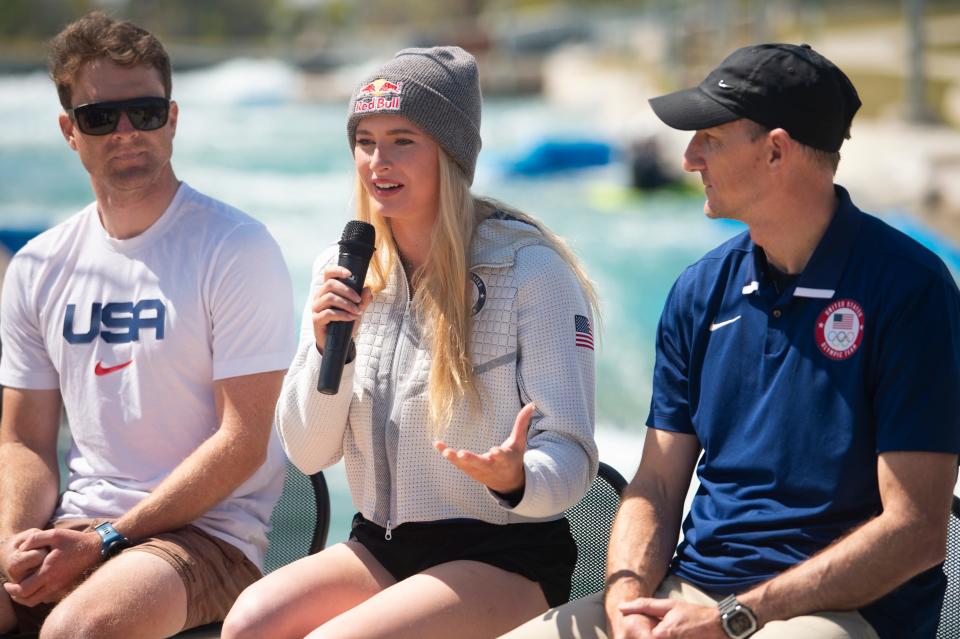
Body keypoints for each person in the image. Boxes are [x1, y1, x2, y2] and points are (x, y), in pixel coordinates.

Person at [504, 43, 960, 639]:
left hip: (843, 613)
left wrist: (737, 617)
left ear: (775, 151)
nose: (690, 158)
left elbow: (918, 530)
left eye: (710, 139)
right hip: (691, 594)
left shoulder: (911, 290)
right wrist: (625, 595)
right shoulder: (700, 291)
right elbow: (658, 483)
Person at [221, 45, 600, 639]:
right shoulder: (346, 270)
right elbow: (308, 454)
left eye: (402, 140)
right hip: (382, 543)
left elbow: (573, 453)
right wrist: (330, 351)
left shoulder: (531, 272)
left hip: (504, 553)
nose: (378, 161)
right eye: (365, 140)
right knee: (247, 624)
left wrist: (517, 477)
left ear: (449, 153)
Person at [0, 12, 295, 638]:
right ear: (69, 131)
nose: (127, 131)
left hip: (209, 537)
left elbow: (243, 442)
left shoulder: (235, 247)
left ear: (174, 118)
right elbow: (24, 442)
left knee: (76, 631)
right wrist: (13, 542)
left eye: (146, 111)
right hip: (76, 526)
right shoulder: (38, 265)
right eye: (100, 117)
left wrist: (109, 538)